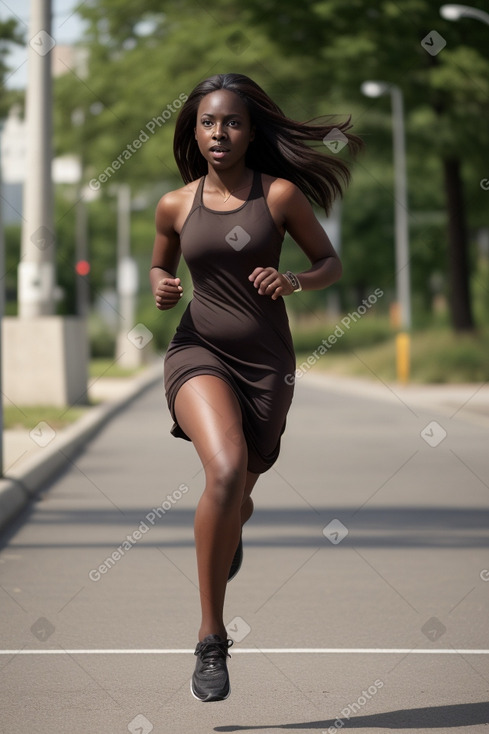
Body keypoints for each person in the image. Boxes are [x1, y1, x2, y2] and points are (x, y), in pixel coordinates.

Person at [150, 73, 361, 702]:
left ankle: (231, 529)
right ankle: (211, 637)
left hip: (267, 363)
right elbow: (162, 262)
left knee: (236, 495)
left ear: (250, 130)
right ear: (195, 129)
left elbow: (330, 263)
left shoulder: (279, 197)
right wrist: (162, 285)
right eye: (209, 122)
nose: (220, 132)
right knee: (224, 471)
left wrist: (295, 281)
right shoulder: (174, 204)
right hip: (198, 352)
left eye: (233, 122)